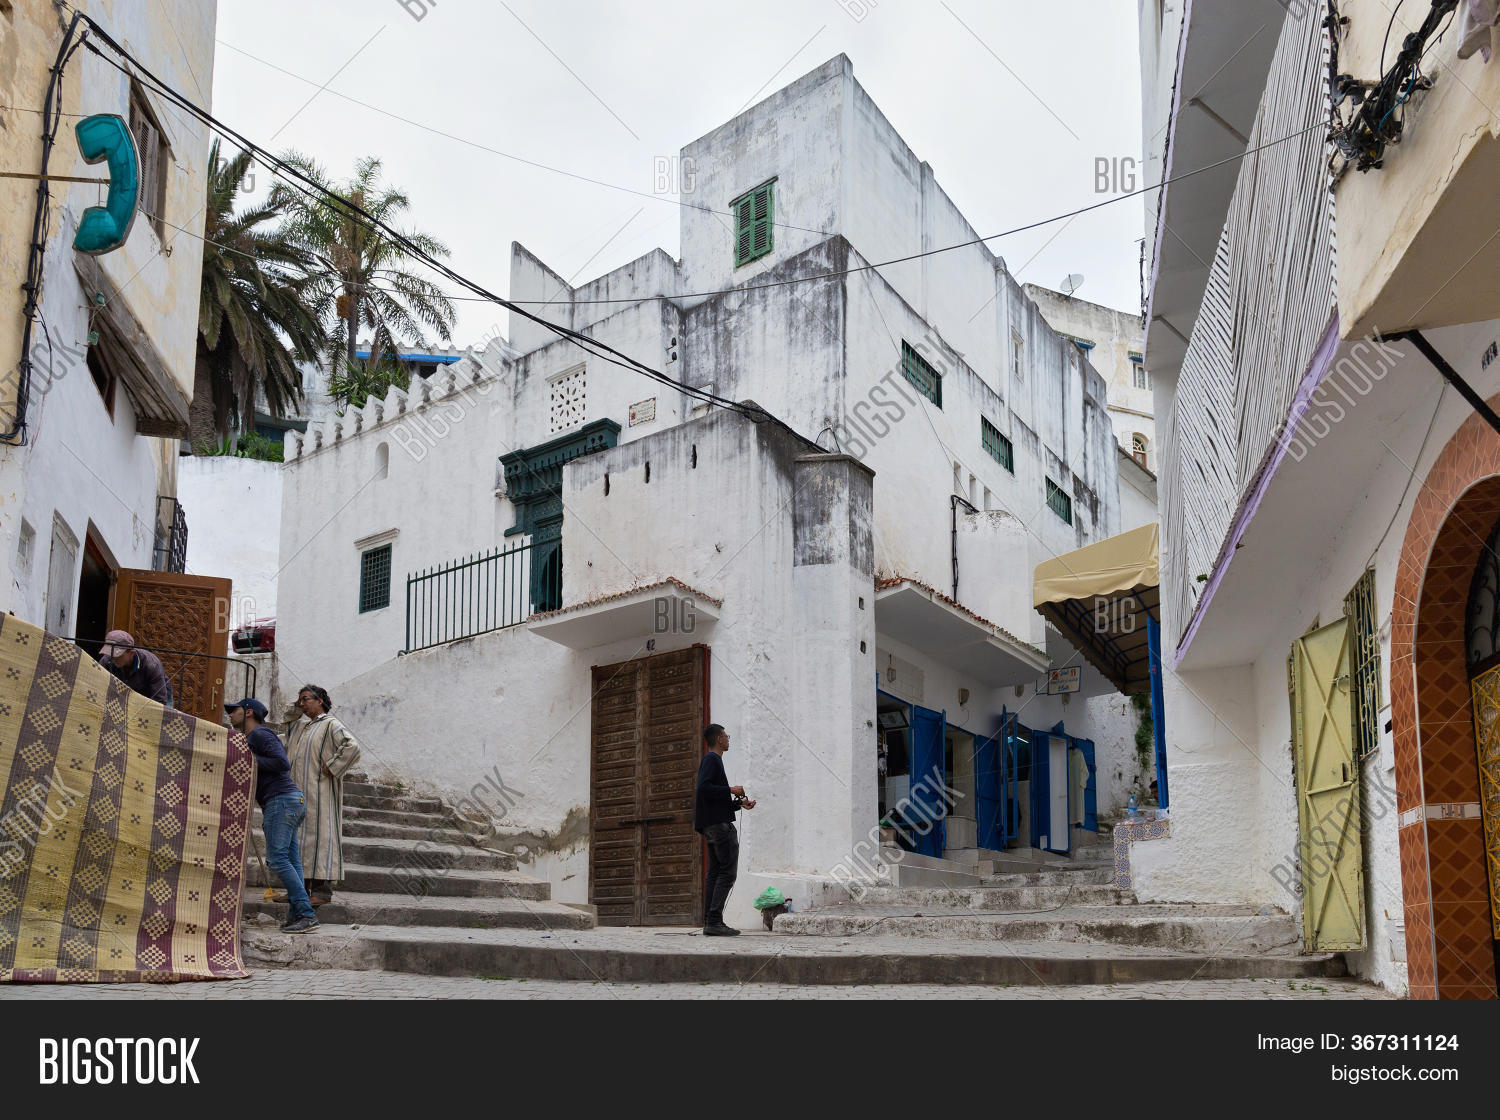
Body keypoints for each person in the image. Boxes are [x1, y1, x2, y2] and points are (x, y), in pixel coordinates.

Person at [226, 698, 319, 934]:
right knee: (291, 859)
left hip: (281, 802)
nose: (230, 715)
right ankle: (298, 913)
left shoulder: (259, 735)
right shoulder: (252, 738)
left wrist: (247, 759)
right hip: (288, 801)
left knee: (277, 859)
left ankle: (307, 914)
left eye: (233, 711)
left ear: (248, 713)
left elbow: (281, 763)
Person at [286, 684, 361, 906]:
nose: (302, 703)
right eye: (299, 700)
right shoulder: (302, 727)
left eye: (306, 699)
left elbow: (352, 746)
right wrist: (297, 706)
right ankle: (299, 891)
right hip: (299, 794)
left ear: (320, 701)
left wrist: (334, 765)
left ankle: (322, 892)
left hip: (322, 795)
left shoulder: (330, 724)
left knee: (321, 841)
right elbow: (287, 719)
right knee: (300, 843)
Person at [694, 724, 755, 936]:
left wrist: (740, 804)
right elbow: (703, 788)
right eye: (726, 736)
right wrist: (731, 789)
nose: (728, 739)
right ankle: (714, 921)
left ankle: (710, 921)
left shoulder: (712, 760)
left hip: (712, 824)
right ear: (719, 738)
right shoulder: (712, 759)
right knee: (727, 873)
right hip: (719, 828)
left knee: (714, 872)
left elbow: (713, 799)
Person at [98, 630, 173, 707]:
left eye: (117, 655)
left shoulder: (151, 664)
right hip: (126, 699)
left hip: (156, 698)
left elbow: (160, 700)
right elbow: (98, 685)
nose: (113, 658)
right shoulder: (106, 661)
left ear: (131, 653)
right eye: (110, 654)